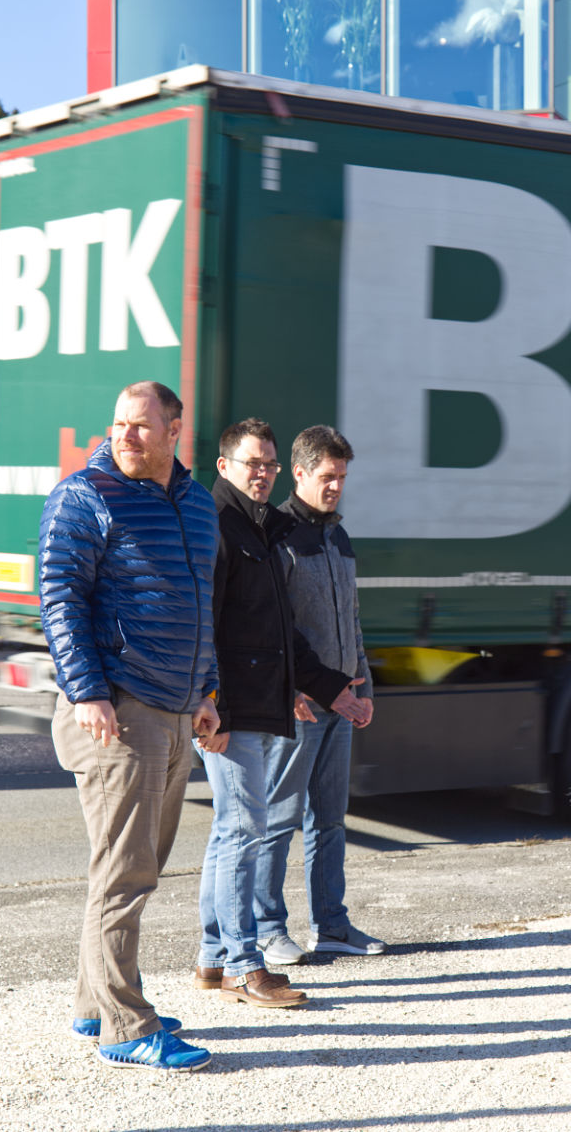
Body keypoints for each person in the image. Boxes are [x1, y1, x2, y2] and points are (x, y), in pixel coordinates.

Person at [39, 380, 219, 1073]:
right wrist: (86, 691)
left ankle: (96, 1003)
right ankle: (124, 1024)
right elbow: (59, 594)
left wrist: (207, 689)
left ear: (175, 429)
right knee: (124, 874)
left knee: (129, 868)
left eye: (142, 426)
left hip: (175, 709)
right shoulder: (85, 496)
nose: (126, 437)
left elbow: (201, 603)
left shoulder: (198, 505)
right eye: (119, 425)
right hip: (118, 710)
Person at [195, 418, 372, 1009]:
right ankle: (249, 956)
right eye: (254, 463)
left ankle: (215, 957)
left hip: (275, 698)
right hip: (240, 708)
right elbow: (209, 624)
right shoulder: (229, 528)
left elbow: (287, 634)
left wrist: (342, 687)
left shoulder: (268, 530)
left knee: (237, 833)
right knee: (248, 830)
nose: (262, 473)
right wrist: (212, 702)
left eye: (267, 463)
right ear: (225, 466)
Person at [254, 425, 384, 965]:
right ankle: (265, 928)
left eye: (343, 478)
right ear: (300, 473)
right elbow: (269, 627)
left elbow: (351, 618)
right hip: (302, 705)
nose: (336, 487)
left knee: (329, 820)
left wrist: (366, 683)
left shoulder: (337, 536)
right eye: (327, 477)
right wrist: (287, 690)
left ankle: (331, 924)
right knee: (278, 820)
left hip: (344, 701)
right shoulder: (277, 535)